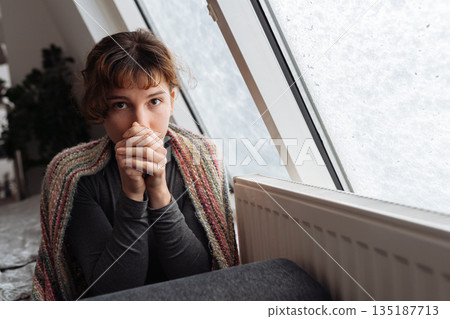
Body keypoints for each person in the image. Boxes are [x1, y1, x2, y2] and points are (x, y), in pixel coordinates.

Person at [32, 29, 239, 301]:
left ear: (172, 101)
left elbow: (203, 276)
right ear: (100, 108)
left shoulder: (202, 158)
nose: (140, 122)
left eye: (154, 101)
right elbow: (112, 291)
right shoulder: (73, 176)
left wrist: (159, 190)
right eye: (121, 105)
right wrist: (131, 195)